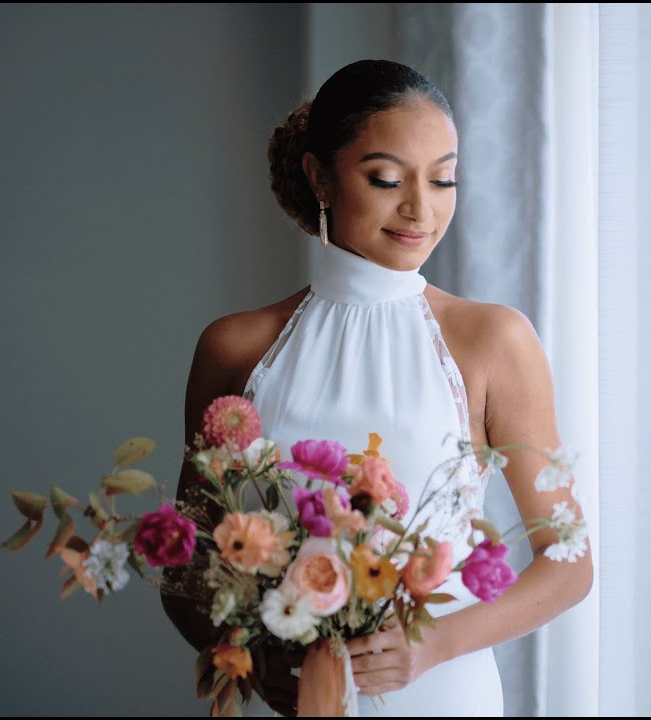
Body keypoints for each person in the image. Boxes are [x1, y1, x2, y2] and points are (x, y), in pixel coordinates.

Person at [160, 59, 593, 716]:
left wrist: (430, 646)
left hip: (446, 695)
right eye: (388, 179)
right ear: (319, 177)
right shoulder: (235, 349)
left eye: (444, 179)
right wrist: (253, 662)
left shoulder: (493, 341)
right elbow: (185, 561)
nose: (422, 208)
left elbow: (569, 561)